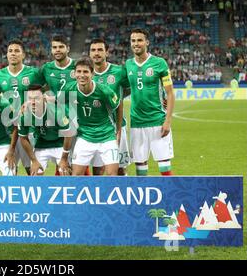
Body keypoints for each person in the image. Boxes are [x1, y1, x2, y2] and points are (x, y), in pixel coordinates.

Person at [122, 28, 175, 176]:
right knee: (140, 167)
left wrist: (167, 121)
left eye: (139, 40)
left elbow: (170, 93)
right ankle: (144, 199)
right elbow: (125, 90)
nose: (136, 43)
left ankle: (169, 197)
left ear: (147, 42)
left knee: (165, 167)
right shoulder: (128, 65)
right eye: (133, 40)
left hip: (158, 121)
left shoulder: (159, 63)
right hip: (137, 122)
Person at [59, 57, 120, 176]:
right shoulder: (68, 88)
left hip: (106, 136)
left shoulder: (104, 91)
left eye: (86, 72)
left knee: (112, 176)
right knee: (75, 177)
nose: (82, 75)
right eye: (79, 71)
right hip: (84, 137)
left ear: (92, 73)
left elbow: (118, 104)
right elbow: (58, 101)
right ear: (74, 73)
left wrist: (118, 131)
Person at [41, 34, 91, 176]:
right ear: (51, 50)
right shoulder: (46, 68)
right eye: (54, 47)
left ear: (67, 48)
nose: (57, 50)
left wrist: (55, 98)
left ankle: (85, 188)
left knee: (78, 159)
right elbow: (36, 87)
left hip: (77, 119)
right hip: (55, 120)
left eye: (61, 47)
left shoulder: (77, 67)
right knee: (62, 159)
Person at [0, 39, 44, 175]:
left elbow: (44, 93)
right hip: (7, 131)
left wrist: (31, 103)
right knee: (9, 170)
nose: (13, 54)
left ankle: (36, 195)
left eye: (17, 51)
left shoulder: (34, 73)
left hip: (28, 129)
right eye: (10, 51)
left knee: (33, 170)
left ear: (23, 55)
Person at [90, 38, 130, 176]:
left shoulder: (119, 71)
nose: (96, 53)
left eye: (100, 50)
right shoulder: (86, 74)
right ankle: (100, 197)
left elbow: (129, 89)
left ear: (107, 53)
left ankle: (123, 196)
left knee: (119, 168)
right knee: (97, 170)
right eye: (93, 50)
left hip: (118, 127)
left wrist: (116, 99)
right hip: (95, 128)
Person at [18, 84, 72, 176]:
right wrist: (34, 160)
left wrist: (64, 159)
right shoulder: (24, 114)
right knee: (35, 173)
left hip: (60, 144)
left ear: (44, 98)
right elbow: (23, 138)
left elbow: (68, 134)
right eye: (30, 98)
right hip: (41, 144)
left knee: (65, 173)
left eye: (36, 98)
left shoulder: (57, 112)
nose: (33, 102)